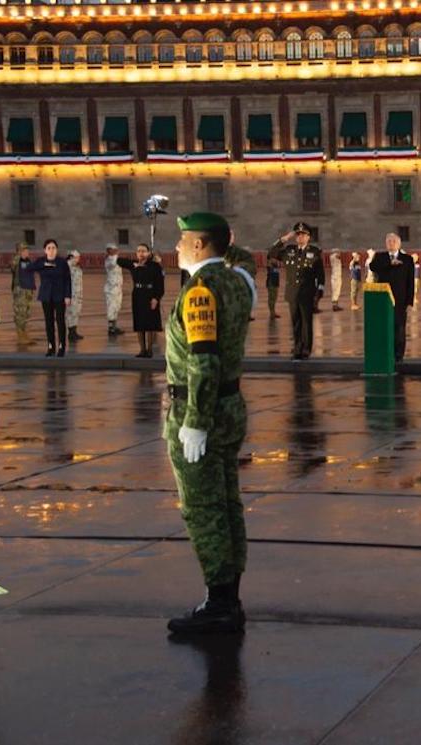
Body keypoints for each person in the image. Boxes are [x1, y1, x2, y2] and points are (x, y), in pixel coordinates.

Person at [164, 212, 252, 635]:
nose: (177, 247)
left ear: (200, 245)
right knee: (228, 502)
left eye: (183, 240)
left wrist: (194, 421)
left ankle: (219, 603)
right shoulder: (238, 281)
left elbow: (202, 359)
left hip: (202, 410)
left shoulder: (200, 291)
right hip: (231, 404)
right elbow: (247, 259)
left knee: (203, 507)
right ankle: (228, 595)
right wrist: (228, 244)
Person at [268, 222, 325, 360]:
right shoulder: (289, 251)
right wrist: (284, 239)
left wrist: (319, 293)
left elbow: (320, 275)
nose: (300, 237)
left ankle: (306, 348)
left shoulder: (314, 252)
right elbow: (271, 253)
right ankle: (297, 347)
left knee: (306, 322)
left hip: (307, 293)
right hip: (292, 293)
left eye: (303, 235)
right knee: (296, 322)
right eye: (298, 235)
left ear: (308, 237)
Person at [369, 232, 416, 363]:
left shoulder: (407, 259)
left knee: (399, 328)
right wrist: (390, 264)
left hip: (401, 301)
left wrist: (410, 301)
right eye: (389, 241)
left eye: (394, 241)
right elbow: (373, 267)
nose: (391, 243)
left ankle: (398, 355)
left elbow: (410, 282)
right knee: (385, 327)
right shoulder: (380, 257)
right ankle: (386, 353)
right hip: (383, 300)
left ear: (399, 243)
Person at [117, 243, 165, 358]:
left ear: (148, 253)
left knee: (150, 324)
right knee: (140, 323)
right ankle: (142, 350)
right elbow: (119, 261)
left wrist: (156, 298)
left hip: (150, 295)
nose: (141, 253)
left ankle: (149, 350)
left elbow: (160, 285)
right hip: (138, 295)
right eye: (138, 251)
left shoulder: (155, 266)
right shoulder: (134, 265)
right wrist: (134, 263)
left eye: (143, 251)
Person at [27, 239, 72, 357]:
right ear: (45, 250)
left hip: (60, 295)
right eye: (49, 248)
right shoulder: (41, 261)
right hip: (46, 295)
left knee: (60, 321)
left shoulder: (62, 262)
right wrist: (43, 264)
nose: (51, 251)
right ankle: (51, 346)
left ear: (57, 250)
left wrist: (68, 296)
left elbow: (67, 280)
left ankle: (62, 346)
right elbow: (29, 268)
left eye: (53, 248)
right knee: (49, 322)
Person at [10, 242, 36, 346]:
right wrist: (18, 255)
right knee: (20, 313)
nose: (27, 252)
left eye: (27, 250)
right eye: (24, 250)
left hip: (28, 290)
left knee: (26, 313)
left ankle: (24, 333)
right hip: (20, 290)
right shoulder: (16, 261)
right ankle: (20, 335)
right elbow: (12, 265)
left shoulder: (28, 261)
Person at [103, 244, 125, 337]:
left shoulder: (116, 259)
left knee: (116, 307)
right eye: (114, 250)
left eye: (116, 249)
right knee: (111, 308)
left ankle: (114, 326)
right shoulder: (109, 260)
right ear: (109, 251)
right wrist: (116, 255)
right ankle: (111, 328)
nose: (116, 251)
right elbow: (113, 263)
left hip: (118, 288)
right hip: (111, 289)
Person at [66, 250, 84, 342]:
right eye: (76, 257)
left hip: (78, 294)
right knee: (70, 314)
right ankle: (70, 333)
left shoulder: (77, 267)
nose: (78, 259)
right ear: (71, 257)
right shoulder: (67, 267)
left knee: (76, 313)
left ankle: (74, 331)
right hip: (71, 294)